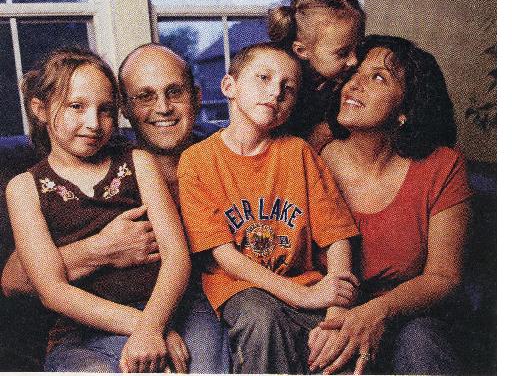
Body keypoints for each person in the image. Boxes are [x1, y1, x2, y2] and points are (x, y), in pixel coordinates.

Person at [177, 42, 360, 374]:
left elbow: (337, 238)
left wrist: (336, 311)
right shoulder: (198, 161)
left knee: (338, 355)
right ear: (228, 86)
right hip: (239, 287)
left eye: (287, 89)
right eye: (263, 78)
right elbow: (225, 257)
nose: (275, 92)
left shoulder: (299, 153)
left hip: (307, 284)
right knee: (263, 319)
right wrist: (302, 297)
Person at [6, 47, 191, 373]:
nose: (93, 123)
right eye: (76, 107)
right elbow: (52, 291)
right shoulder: (23, 188)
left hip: (165, 307)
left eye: (105, 110)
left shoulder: (138, 162)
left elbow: (177, 256)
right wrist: (146, 327)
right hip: (83, 331)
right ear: (40, 108)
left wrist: (154, 321)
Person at [307, 35, 472, 374]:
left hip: (405, 317)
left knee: (421, 339)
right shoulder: (312, 154)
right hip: (322, 314)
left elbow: (444, 277)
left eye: (377, 77)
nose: (354, 85)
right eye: (355, 74)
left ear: (406, 110)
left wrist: (376, 312)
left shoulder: (443, 166)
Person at [118, 43, 230, 373]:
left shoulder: (226, 152)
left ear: (196, 96)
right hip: (138, 303)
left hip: (214, 298)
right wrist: (98, 250)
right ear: (125, 106)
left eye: (174, 92)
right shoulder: (107, 167)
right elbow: (13, 279)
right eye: (145, 96)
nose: (164, 107)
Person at [268, 0, 365, 149]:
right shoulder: (284, 90)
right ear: (302, 51)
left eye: (358, 48)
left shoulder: (345, 78)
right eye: (342, 53)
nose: (354, 60)